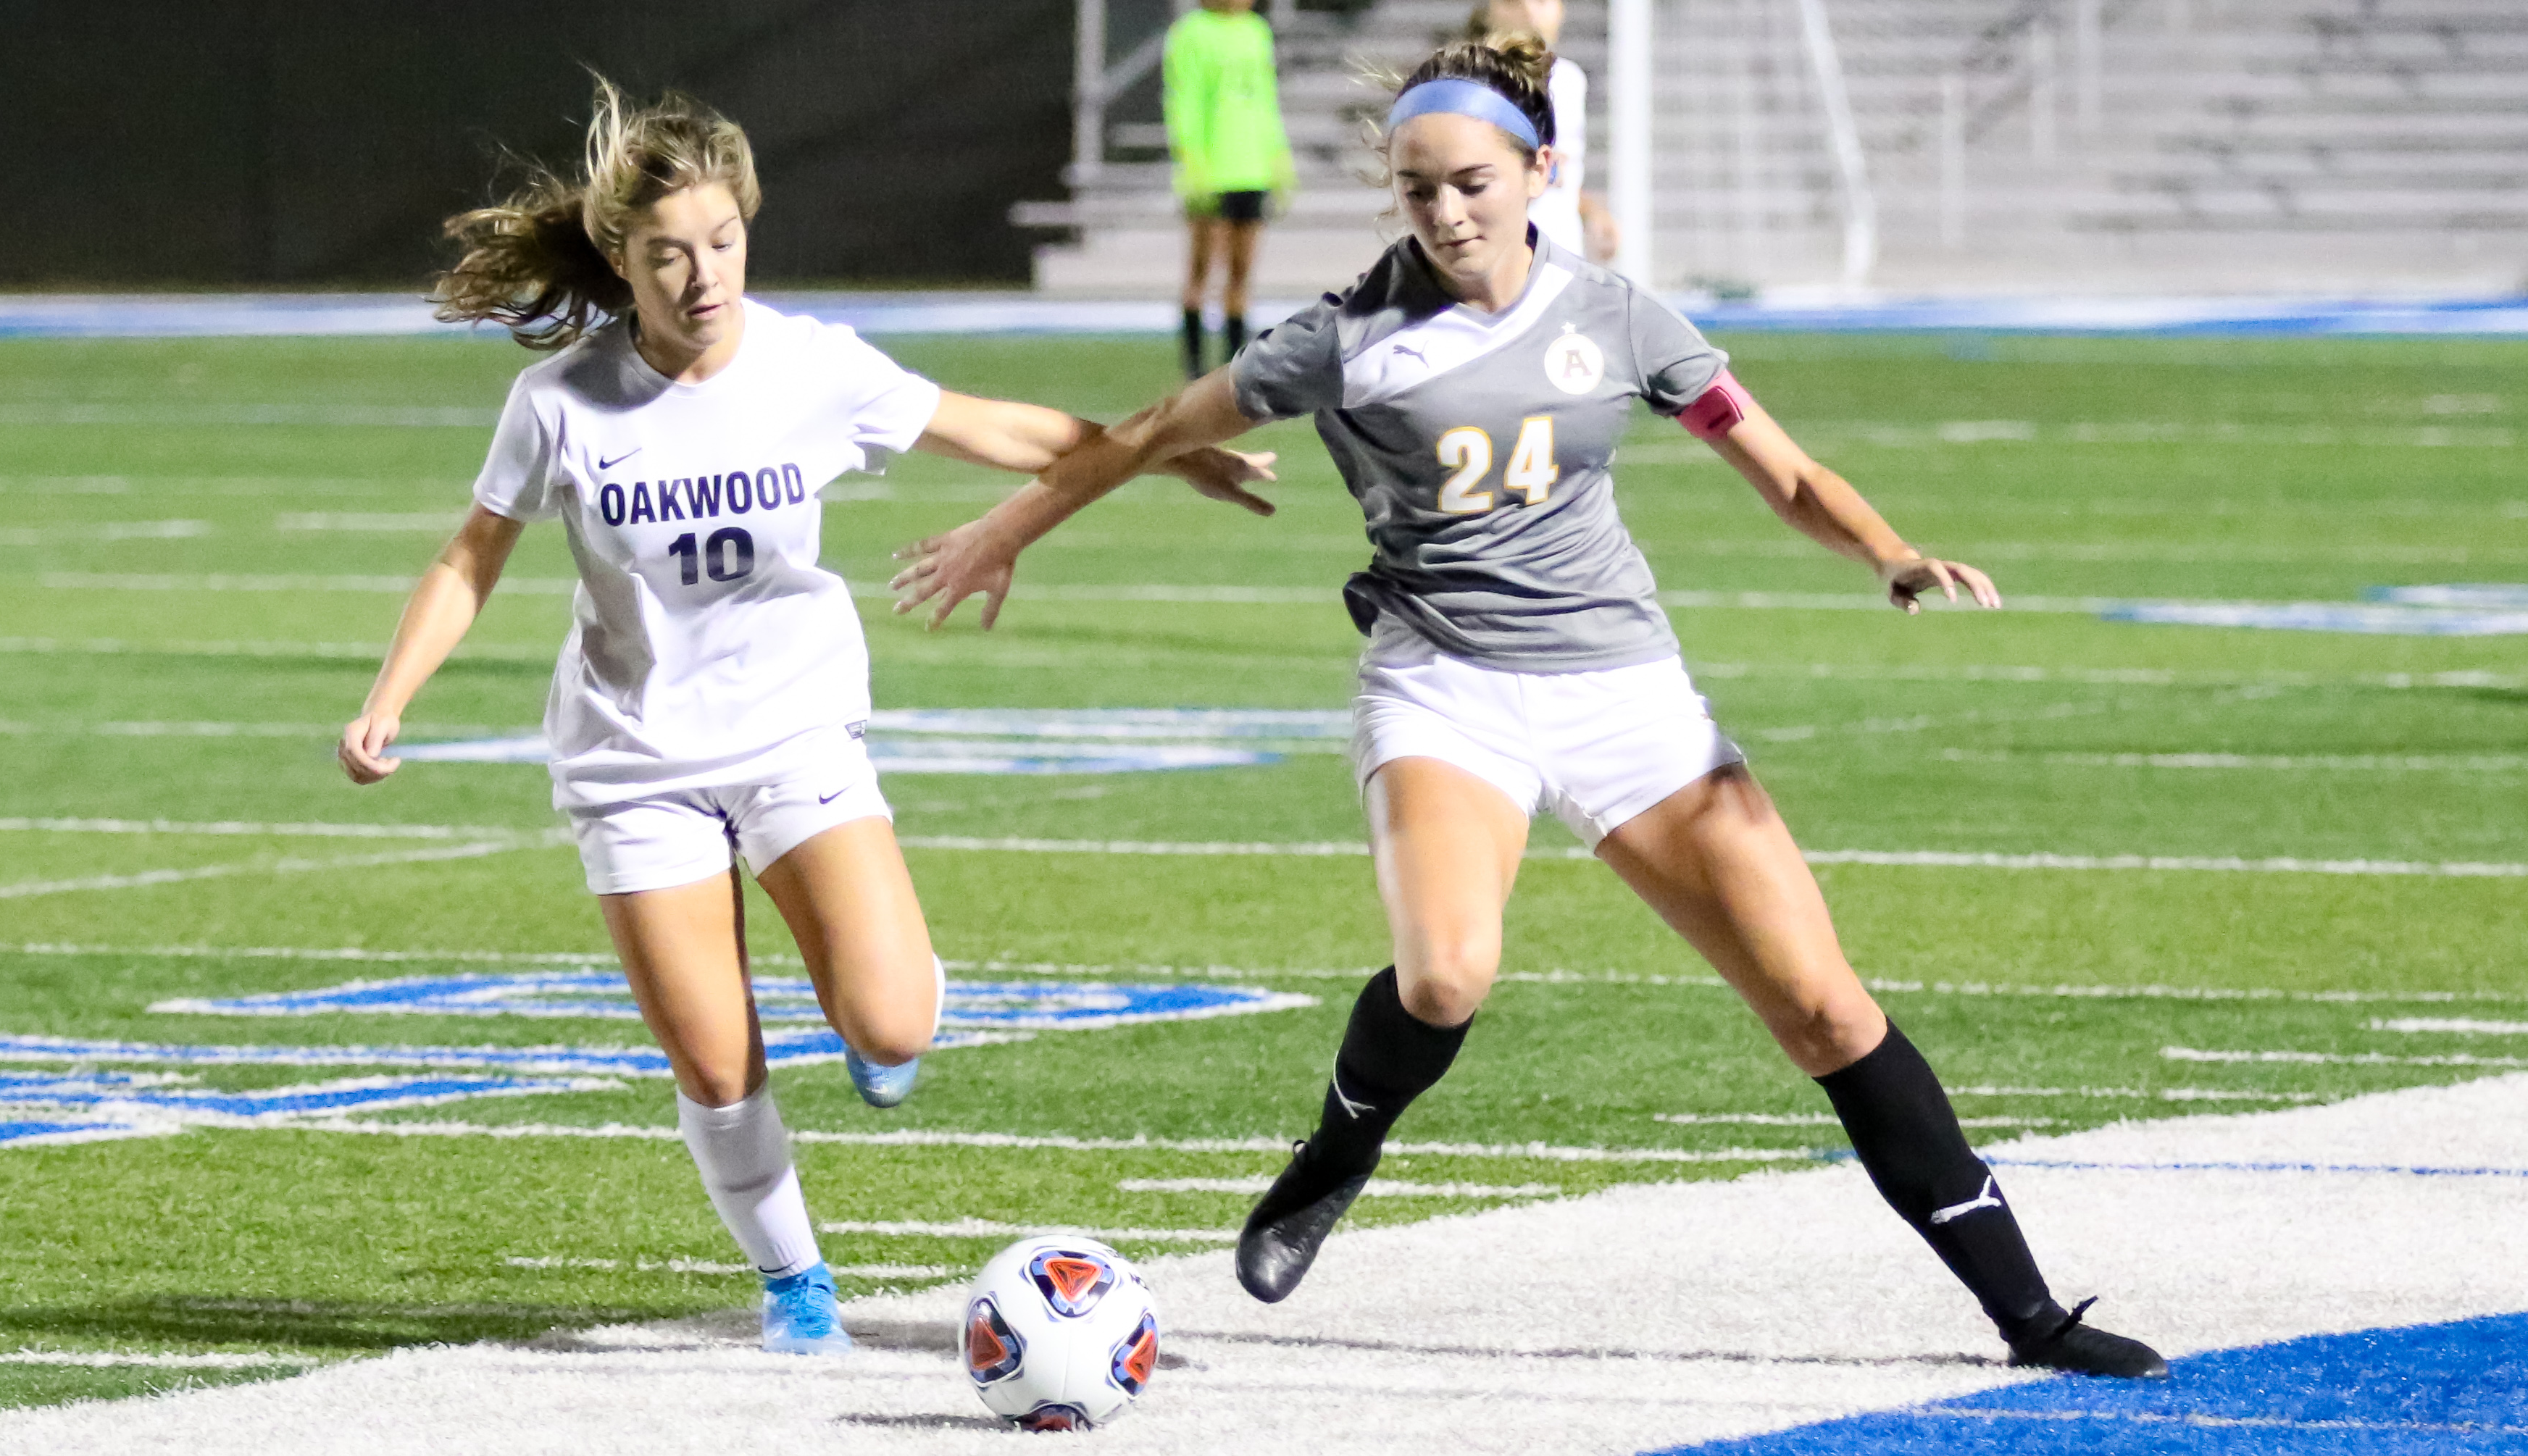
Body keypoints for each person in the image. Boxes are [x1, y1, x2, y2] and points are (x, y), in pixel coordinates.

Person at [890, 35, 2167, 1378]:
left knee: (1824, 1013)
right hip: (1443, 686)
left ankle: (2031, 1319)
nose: (1443, 212)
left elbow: (1777, 467)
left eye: (1470, 182)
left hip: (1626, 693)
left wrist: (1886, 550)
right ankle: (1338, 1149)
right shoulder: (1345, 334)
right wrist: (1009, 528)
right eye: (1414, 186)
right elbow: (1146, 424)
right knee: (1445, 973)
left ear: (1538, 170)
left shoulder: (1615, 316)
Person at [337, 80, 1272, 1356]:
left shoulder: (813, 367)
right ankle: (795, 1283)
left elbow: (990, 427)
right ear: (622, 259)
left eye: (722, 244)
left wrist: (1154, 446)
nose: (702, 276)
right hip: (635, 763)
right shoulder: (561, 403)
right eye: (668, 254)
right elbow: (471, 556)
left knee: (890, 1027)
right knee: (717, 1068)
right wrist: (389, 700)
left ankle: (891, 1014)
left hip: (790, 736)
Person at [1165, 0, 1296, 379]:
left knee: (1241, 273)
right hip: (1213, 171)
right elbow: (1182, 100)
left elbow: (1266, 101)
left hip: (1252, 170)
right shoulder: (1190, 33)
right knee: (1202, 271)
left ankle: (1232, 367)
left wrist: (1278, 158)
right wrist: (1191, 160)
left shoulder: (1257, 31)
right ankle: (1193, 369)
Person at [1469, 0, 1617, 262]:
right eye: (1513, 2)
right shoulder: (1475, 79)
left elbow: (1558, 171)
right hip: (1501, 254)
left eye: (1541, 2)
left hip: (1562, 250)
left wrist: (1591, 211)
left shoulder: (1570, 79)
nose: (1529, 12)